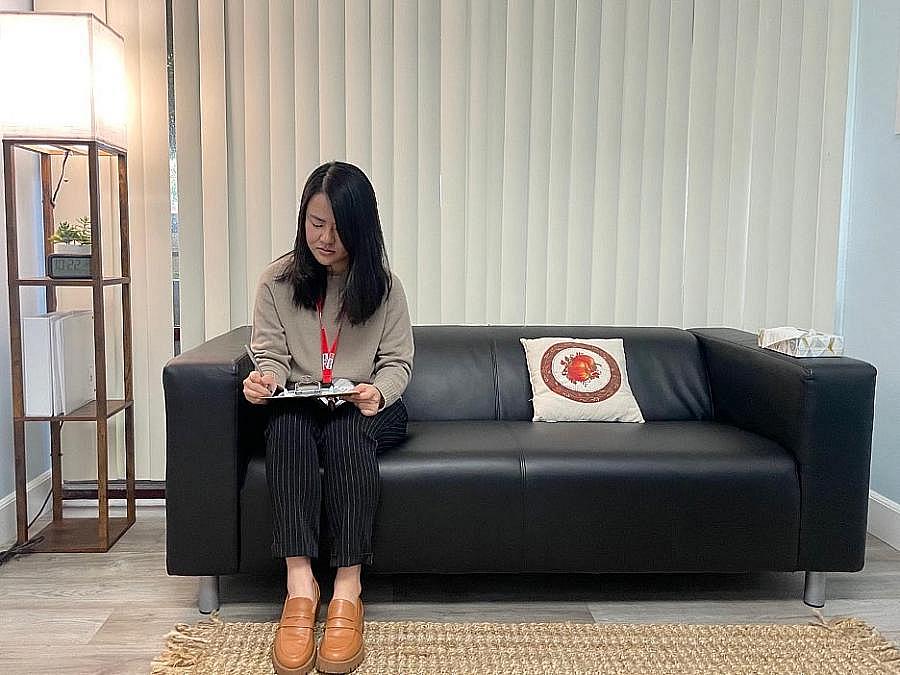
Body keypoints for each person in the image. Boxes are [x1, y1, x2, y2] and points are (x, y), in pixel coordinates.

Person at [243, 161, 414, 675]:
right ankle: (300, 585)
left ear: (363, 227)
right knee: (288, 428)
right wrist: (266, 380)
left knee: (346, 435)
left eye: (339, 228)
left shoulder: (383, 287)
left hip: (366, 407)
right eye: (315, 223)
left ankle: (347, 587)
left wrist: (377, 394)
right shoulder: (276, 281)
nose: (325, 238)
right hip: (301, 402)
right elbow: (269, 353)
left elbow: (398, 363)